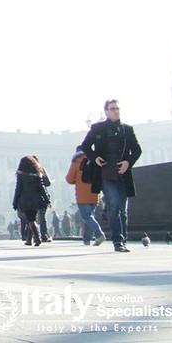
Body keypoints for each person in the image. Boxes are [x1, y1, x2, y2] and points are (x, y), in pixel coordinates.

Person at [80, 100, 143, 252]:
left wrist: (128, 162)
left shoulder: (127, 130)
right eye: (112, 109)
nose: (116, 111)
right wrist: (94, 157)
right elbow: (85, 146)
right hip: (106, 173)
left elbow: (137, 150)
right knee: (113, 205)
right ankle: (118, 242)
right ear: (106, 111)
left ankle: (123, 240)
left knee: (123, 209)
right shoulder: (98, 128)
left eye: (117, 108)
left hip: (123, 174)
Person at [66, 144, 105, 246]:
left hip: (82, 194)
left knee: (86, 216)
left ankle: (99, 234)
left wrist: (77, 179)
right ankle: (87, 239)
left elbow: (69, 179)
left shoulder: (76, 161)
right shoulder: (95, 160)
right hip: (95, 193)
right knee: (89, 216)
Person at [13, 155, 51, 247]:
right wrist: (47, 199)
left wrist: (15, 201)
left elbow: (18, 189)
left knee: (30, 220)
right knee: (31, 218)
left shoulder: (20, 175)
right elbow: (42, 188)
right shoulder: (37, 174)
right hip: (36, 200)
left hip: (25, 201)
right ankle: (29, 240)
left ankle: (37, 238)